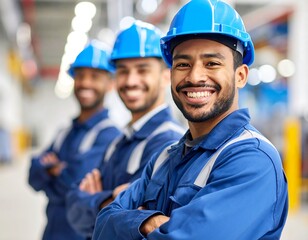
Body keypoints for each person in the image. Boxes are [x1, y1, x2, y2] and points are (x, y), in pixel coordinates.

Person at [92, 0, 289, 239]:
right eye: (183, 64)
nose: (195, 76)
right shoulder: (164, 158)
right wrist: (146, 223)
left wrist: (128, 222)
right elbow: (102, 223)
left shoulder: (253, 161)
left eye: (212, 63)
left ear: (240, 76)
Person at [66, 20, 185, 239]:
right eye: (123, 71)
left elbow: (134, 230)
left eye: (142, 70)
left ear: (165, 75)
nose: (131, 81)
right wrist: (109, 200)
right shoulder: (118, 142)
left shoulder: (169, 144)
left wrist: (96, 201)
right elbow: (73, 206)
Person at [28, 40, 122, 240]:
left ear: (110, 84)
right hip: (51, 233)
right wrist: (56, 173)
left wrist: (53, 173)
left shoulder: (110, 135)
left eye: (95, 76)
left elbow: (74, 186)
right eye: (80, 76)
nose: (85, 83)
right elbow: (33, 176)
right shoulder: (64, 132)